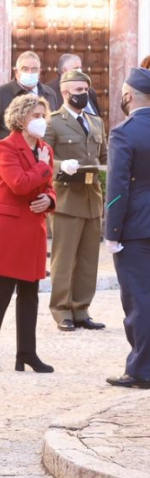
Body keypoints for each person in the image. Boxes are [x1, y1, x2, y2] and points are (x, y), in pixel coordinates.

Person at [0, 93, 56, 374]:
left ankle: (27, 353)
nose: (41, 121)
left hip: (33, 224)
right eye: (35, 115)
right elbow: (19, 184)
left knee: (30, 291)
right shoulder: (5, 146)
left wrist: (50, 200)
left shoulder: (45, 148)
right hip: (9, 224)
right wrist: (43, 167)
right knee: (3, 288)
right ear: (21, 118)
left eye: (43, 115)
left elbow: (48, 185)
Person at [44, 69, 108, 332]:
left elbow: (103, 158)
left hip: (91, 198)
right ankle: (61, 310)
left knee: (88, 259)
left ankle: (81, 308)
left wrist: (104, 186)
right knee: (64, 257)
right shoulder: (53, 122)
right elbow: (42, 158)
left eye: (86, 90)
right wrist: (61, 165)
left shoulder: (96, 122)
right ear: (65, 92)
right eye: (79, 90)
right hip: (66, 198)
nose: (84, 95)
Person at [104, 68, 150, 388]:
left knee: (138, 300)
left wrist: (112, 232)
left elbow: (117, 187)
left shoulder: (125, 132)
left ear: (129, 96)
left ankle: (141, 369)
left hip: (135, 227)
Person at [0, 51, 59, 155]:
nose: (30, 73)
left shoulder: (49, 93)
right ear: (16, 71)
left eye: (34, 70)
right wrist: (0, 149)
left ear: (39, 71)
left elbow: (53, 124)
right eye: (25, 69)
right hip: (12, 155)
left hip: (42, 154)